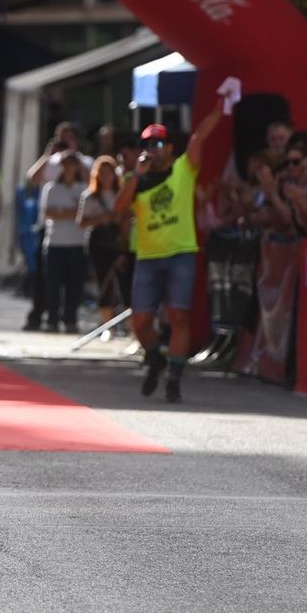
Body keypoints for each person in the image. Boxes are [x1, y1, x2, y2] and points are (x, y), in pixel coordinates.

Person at [115, 102, 226, 403]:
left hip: (181, 254)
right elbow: (118, 210)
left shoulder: (183, 169)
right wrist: (136, 176)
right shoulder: (135, 181)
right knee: (140, 321)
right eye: (147, 144)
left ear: (170, 148)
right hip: (148, 259)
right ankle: (155, 357)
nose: (152, 149)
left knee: (178, 316)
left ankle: (174, 378)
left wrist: (218, 110)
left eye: (158, 143)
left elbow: (198, 138)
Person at [38, 151, 87, 332]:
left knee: (74, 284)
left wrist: (63, 212)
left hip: (77, 242)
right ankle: (52, 318)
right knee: (53, 284)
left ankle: (70, 319)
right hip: (55, 242)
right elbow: (48, 212)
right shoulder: (51, 188)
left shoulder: (82, 189)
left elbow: (84, 214)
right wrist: (71, 213)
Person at [82, 155, 125, 327]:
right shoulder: (90, 196)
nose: (106, 176)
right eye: (102, 172)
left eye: (109, 172)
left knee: (122, 282)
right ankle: (107, 324)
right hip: (98, 243)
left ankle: (126, 323)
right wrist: (101, 218)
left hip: (119, 242)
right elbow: (82, 222)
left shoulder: (121, 194)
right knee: (104, 283)